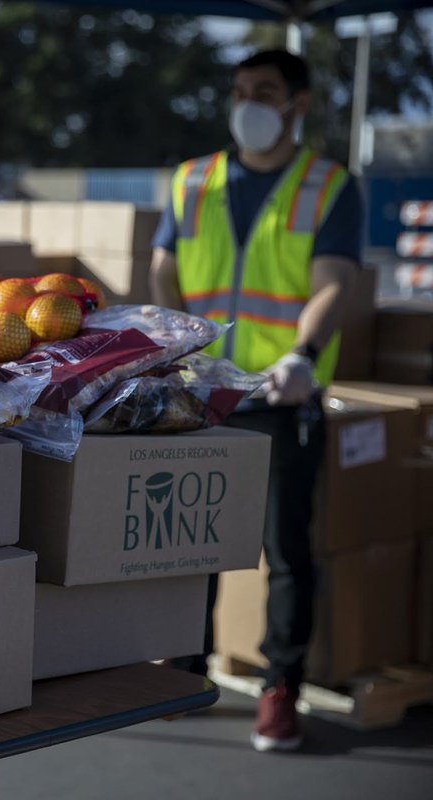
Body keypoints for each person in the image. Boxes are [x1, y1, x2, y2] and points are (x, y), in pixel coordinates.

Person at [150, 49, 362, 753]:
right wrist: (177, 347)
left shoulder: (328, 185)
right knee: (189, 540)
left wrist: (303, 356)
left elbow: (333, 281)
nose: (249, 102)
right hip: (203, 392)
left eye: (265, 91)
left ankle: (280, 689)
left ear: (298, 103)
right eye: (241, 90)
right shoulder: (191, 180)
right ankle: (185, 670)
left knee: (285, 550)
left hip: (281, 393)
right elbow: (165, 265)